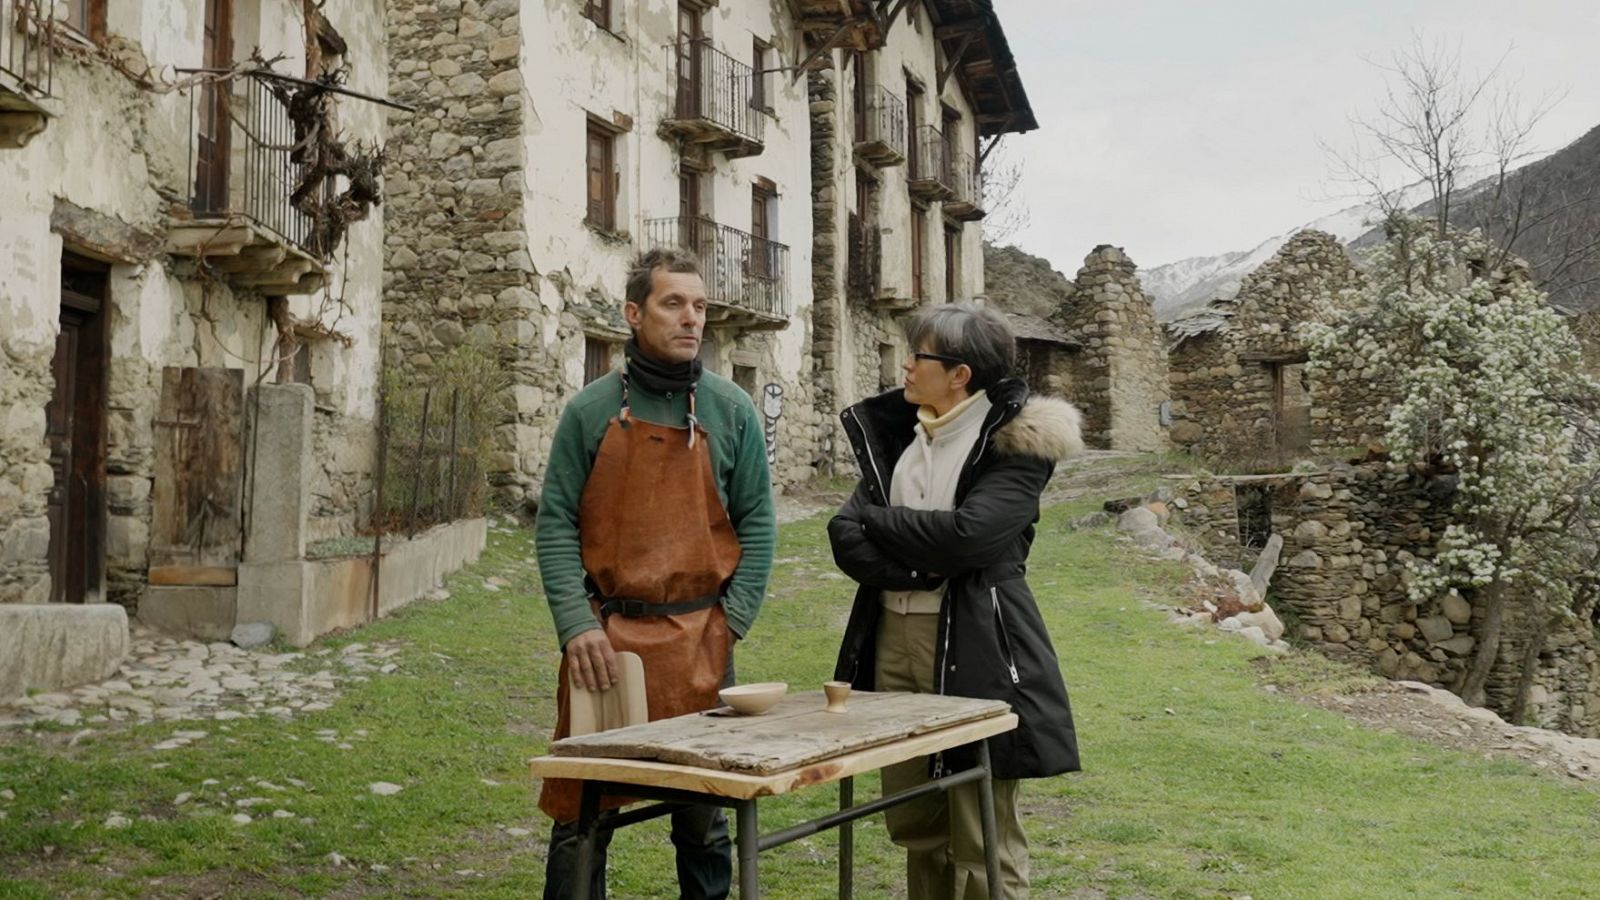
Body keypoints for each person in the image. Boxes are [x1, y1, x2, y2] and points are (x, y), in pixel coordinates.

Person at [535, 247, 776, 900]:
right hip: (604, 645)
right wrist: (575, 625)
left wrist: (734, 620)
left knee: (703, 820)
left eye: (699, 306)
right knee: (581, 817)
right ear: (634, 314)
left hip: (702, 642)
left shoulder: (731, 410)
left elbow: (758, 522)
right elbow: (555, 523)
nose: (691, 318)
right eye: (674, 304)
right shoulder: (589, 411)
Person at [829, 303, 1082, 899]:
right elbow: (844, 535)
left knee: (980, 824)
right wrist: (924, 562)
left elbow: (972, 536)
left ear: (960, 373)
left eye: (919, 357)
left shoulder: (1019, 442)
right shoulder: (900, 434)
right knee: (913, 812)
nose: (907, 367)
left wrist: (880, 522)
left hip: (974, 642)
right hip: (890, 639)